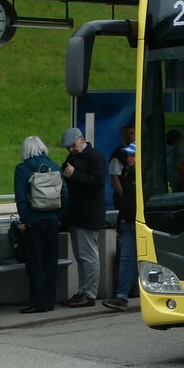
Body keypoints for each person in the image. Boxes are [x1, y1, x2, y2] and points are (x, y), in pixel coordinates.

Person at [13, 135, 67, 314]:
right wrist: (59, 215)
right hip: (52, 220)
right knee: (50, 261)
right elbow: (64, 193)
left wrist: (25, 219)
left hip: (34, 220)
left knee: (35, 262)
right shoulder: (53, 165)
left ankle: (38, 302)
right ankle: (50, 301)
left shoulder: (22, 169)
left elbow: (21, 197)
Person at [59, 126, 107, 308]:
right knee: (81, 255)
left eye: (72, 145)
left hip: (88, 214)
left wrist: (75, 175)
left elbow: (98, 182)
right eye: (68, 148)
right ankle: (82, 291)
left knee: (88, 255)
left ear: (81, 139)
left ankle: (89, 293)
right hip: (76, 213)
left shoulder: (95, 156)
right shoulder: (74, 158)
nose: (71, 150)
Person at [103, 142, 137, 312]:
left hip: (137, 221)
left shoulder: (143, 174)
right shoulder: (129, 172)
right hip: (130, 221)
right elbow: (128, 200)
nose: (129, 157)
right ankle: (122, 296)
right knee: (126, 258)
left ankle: (124, 295)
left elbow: (131, 200)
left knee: (129, 258)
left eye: (132, 155)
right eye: (128, 155)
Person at [108, 123, 135, 209]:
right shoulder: (118, 155)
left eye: (131, 133)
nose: (129, 136)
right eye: (126, 133)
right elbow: (114, 177)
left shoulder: (136, 151)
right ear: (121, 136)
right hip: (123, 200)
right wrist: (124, 197)